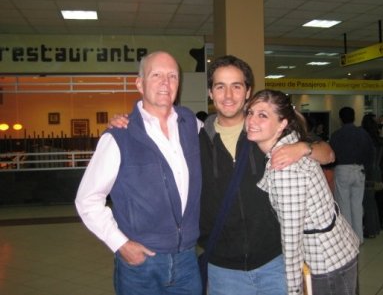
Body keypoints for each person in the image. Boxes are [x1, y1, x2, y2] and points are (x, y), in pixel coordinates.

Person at [109, 54, 335, 294]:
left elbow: (329, 154)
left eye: (236, 87)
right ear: (210, 92)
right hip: (223, 270)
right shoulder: (193, 138)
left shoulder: (268, 132)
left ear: (248, 91)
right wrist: (128, 121)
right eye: (220, 87)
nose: (228, 96)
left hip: (274, 263)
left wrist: (302, 148)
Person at [75, 51, 203, 295]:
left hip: (187, 260)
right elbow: (87, 200)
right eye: (156, 75)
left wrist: (300, 145)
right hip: (141, 264)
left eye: (172, 76)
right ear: (139, 83)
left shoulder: (192, 125)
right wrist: (120, 244)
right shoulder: (120, 136)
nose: (165, 83)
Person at [245, 89, 359, 295]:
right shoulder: (288, 145)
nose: (252, 120)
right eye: (250, 112)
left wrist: (293, 290)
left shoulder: (285, 167)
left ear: (282, 124)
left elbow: (291, 240)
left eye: (263, 115)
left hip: (326, 264)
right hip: (337, 253)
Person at [329, 107, 374, 243]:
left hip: (342, 170)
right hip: (359, 170)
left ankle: (348, 240)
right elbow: (370, 153)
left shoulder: (336, 135)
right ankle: (359, 237)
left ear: (341, 119)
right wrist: (367, 169)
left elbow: (332, 155)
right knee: (357, 205)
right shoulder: (363, 133)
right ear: (354, 117)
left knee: (344, 205)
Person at [361, 113, 382, 238]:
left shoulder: (366, 138)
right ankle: (375, 227)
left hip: (367, 172)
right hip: (376, 171)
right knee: (371, 201)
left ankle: (370, 229)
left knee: (367, 201)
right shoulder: (377, 138)